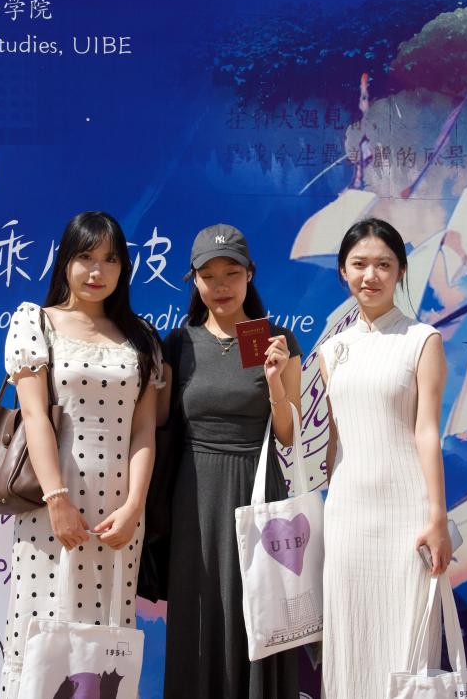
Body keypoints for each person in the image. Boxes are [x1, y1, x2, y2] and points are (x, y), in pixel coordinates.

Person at [0, 211, 164, 698]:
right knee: (41, 637)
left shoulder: (142, 337)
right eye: (86, 257)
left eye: (110, 260)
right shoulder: (35, 321)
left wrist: (134, 508)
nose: (97, 271)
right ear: (65, 261)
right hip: (51, 506)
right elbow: (34, 416)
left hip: (118, 516)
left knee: (103, 648)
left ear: (123, 268)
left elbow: (143, 431)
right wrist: (57, 500)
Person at [157, 224, 301, 699]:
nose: (221, 286)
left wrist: (275, 381)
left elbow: (288, 433)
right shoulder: (178, 344)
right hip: (194, 500)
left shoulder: (276, 340)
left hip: (258, 492)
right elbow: (159, 426)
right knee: (199, 615)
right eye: (209, 276)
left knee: (259, 614)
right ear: (194, 280)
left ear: (250, 275)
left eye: (231, 273)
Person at [317, 218, 450, 699]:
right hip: (347, 515)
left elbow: (427, 431)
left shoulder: (423, 340)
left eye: (383, 265)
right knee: (350, 641)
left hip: (407, 516)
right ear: (343, 271)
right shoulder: (332, 350)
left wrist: (437, 517)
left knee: (406, 647)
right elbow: (332, 441)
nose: (370, 276)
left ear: (400, 271)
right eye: (359, 264)